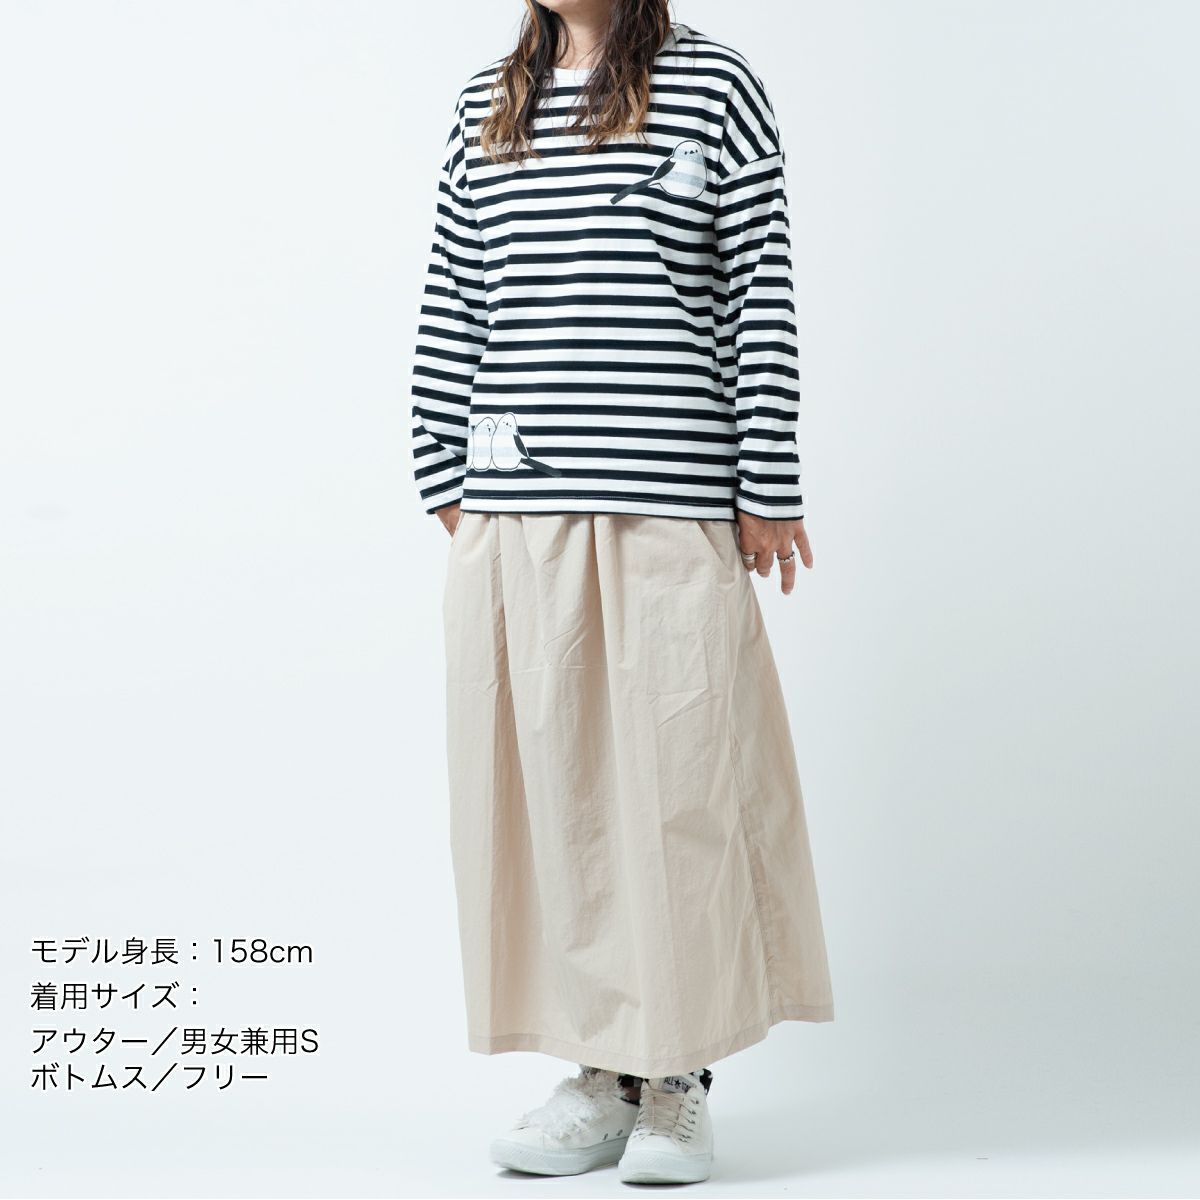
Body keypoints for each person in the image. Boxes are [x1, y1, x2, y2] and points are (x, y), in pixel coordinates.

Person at [409, 0, 833, 1184]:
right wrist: (441, 468)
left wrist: (767, 483)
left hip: (669, 499)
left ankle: (677, 1076)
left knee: (681, 790)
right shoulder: (486, 103)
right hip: (516, 506)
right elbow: (456, 292)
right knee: (557, 805)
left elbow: (759, 291)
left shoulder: (714, 86)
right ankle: (600, 1069)